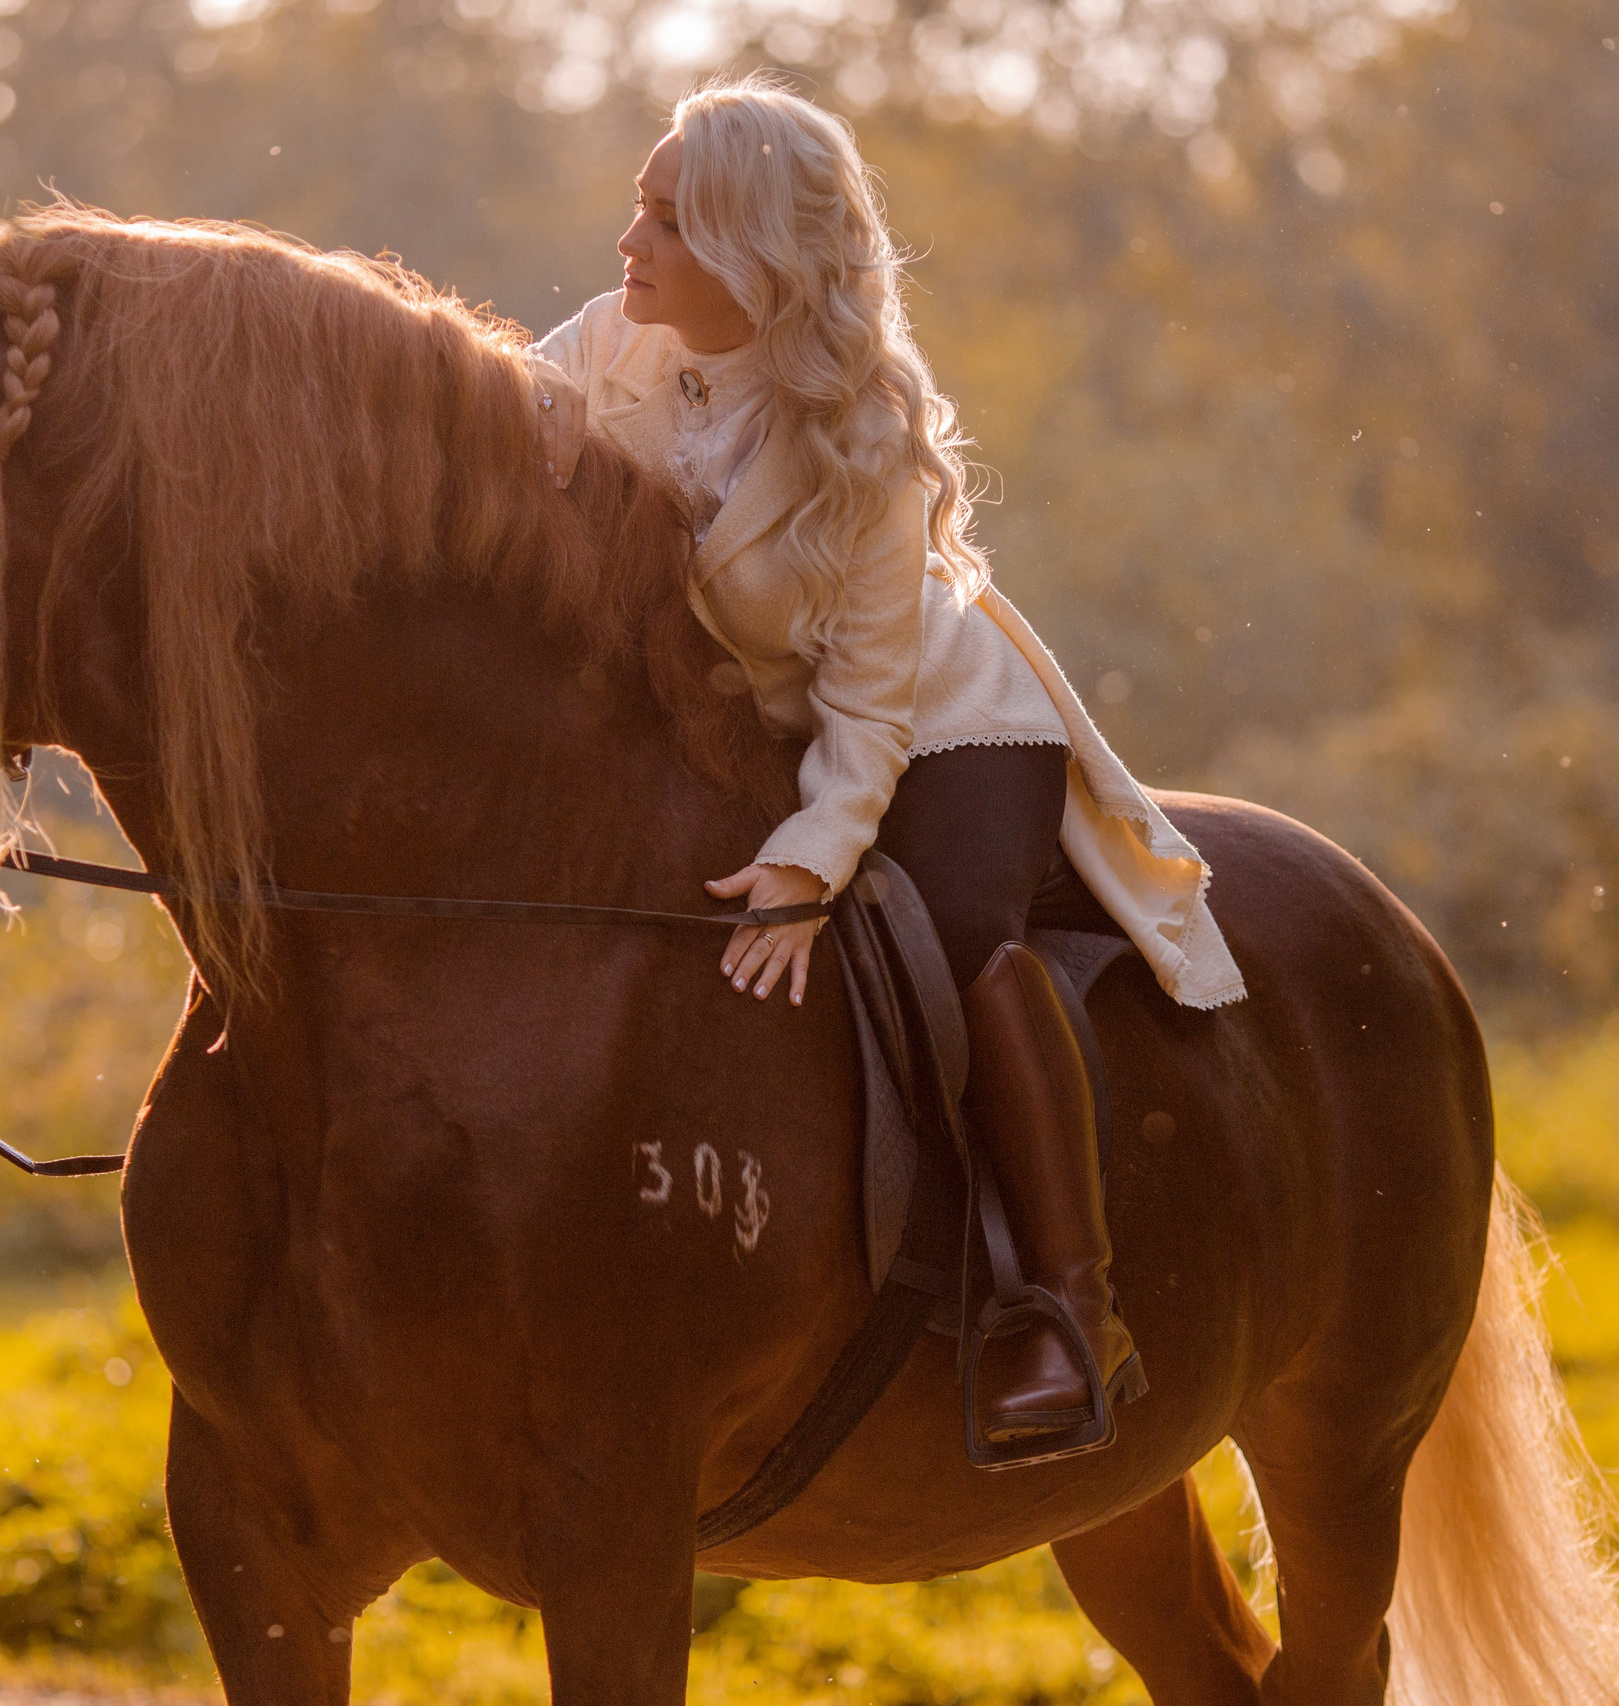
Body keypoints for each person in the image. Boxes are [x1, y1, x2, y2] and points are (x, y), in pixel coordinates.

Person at [524, 77, 1246, 1456]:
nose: (630, 242)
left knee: (956, 940)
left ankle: (1068, 1307)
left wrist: (808, 861)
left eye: (666, 220)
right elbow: (488, 418)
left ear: (749, 252)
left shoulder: (858, 433)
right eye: (636, 207)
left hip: (946, 716)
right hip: (766, 715)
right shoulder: (612, 341)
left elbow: (867, 708)